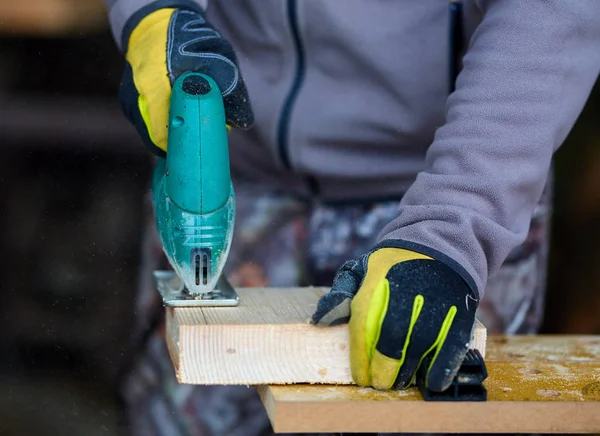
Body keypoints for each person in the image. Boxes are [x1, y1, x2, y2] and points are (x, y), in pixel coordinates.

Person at [104, 0, 600, 434]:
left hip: (443, 193)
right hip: (238, 166)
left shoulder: (454, 212)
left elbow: (553, 12)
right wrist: (153, 14)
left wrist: (456, 224)